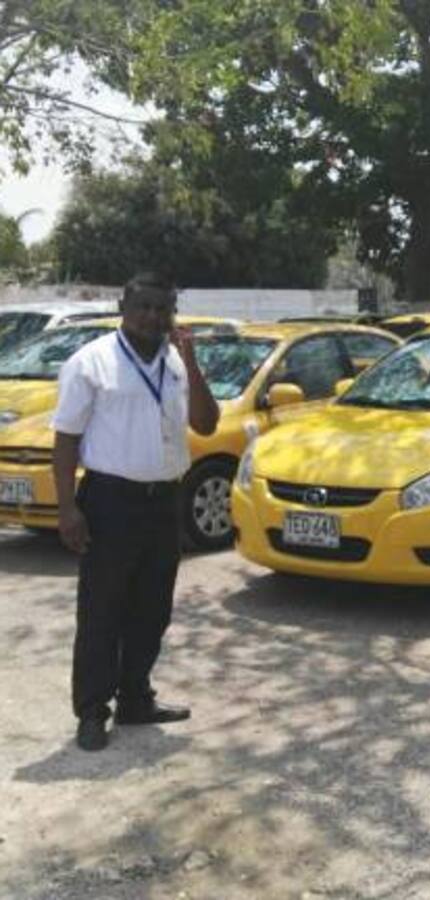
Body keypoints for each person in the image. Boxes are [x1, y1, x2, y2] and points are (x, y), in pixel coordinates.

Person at [51, 273, 219, 752]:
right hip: (110, 502)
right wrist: (67, 509)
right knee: (102, 610)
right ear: (123, 307)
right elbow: (64, 440)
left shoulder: (176, 363)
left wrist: (191, 358)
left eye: (162, 308)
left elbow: (206, 424)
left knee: (152, 610)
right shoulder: (91, 362)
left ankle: (135, 698)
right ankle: (92, 711)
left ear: (172, 314)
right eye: (143, 306)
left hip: (164, 502)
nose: (152, 316)